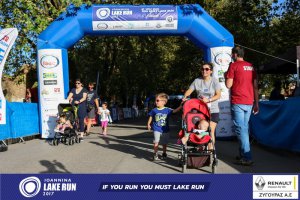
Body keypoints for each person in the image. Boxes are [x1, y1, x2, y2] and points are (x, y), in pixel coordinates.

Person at [225, 46, 259, 166]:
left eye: (232, 54)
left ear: (234, 54)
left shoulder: (233, 66)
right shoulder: (251, 66)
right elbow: (255, 86)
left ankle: (247, 157)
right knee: (244, 128)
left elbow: (228, 85)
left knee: (241, 129)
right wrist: (257, 103)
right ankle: (242, 154)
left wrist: (226, 76)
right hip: (249, 101)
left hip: (238, 100)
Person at [182, 62, 221, 150]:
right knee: (200, 130)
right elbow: (189, 90)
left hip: (213, 110)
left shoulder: (214, 81)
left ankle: (211, 151)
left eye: (207, 69)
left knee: (211, 130)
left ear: (211, 71)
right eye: (202, 69)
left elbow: (218, 95)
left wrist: (209, 100)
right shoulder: (197, 81)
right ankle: (200, 147)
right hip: (201, 111)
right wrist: (185, 97)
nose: (204, 71)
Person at [147, 93, 182, 161]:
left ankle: (164, 153)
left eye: (157, 100)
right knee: (156, 142)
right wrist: (148, 124)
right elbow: (151, 116)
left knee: (164, 143)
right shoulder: (154, 110)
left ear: (164, 102)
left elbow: (174, 111)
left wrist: (181, 106)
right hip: (156, 129)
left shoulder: (167, 109)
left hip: (165, 130)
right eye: (155, 100)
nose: (156, 102)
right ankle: (155, 154)